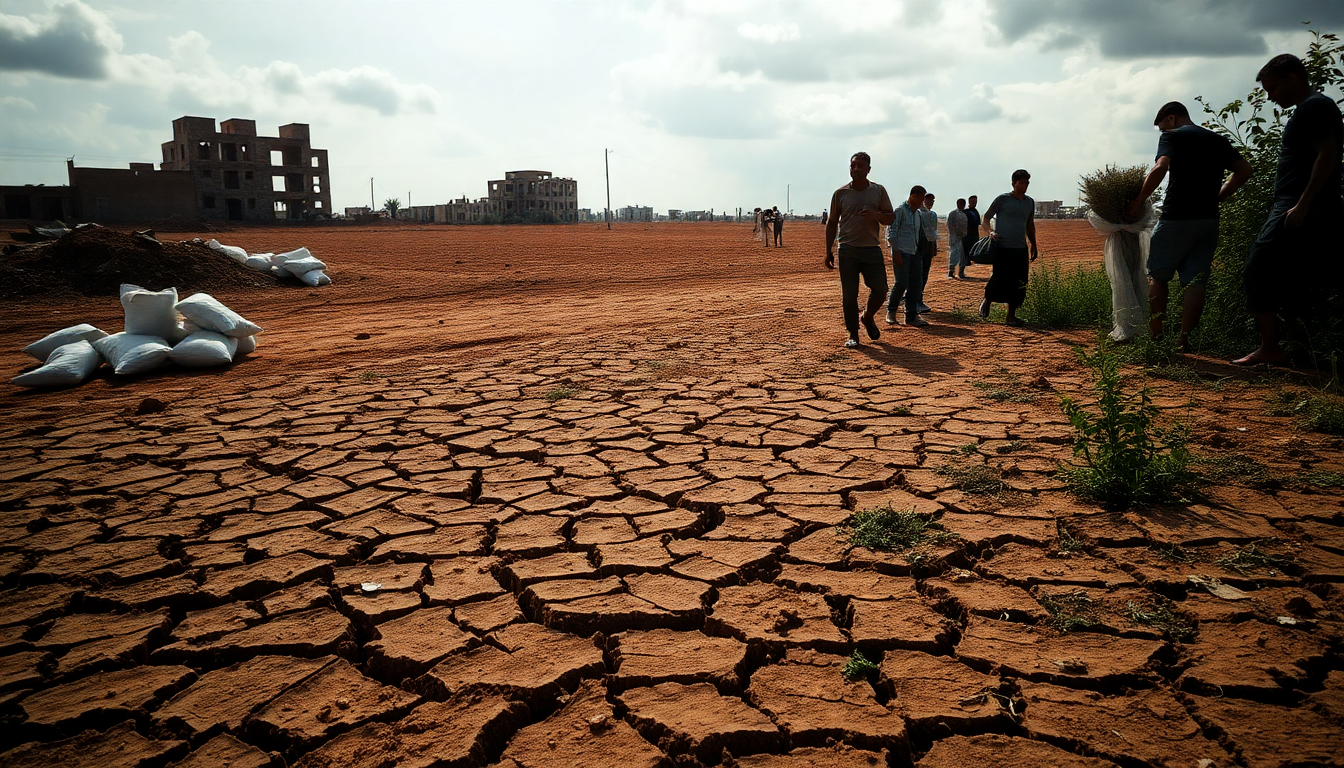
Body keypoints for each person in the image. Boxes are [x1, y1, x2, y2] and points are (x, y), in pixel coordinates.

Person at [1233, 54, 1344, 366]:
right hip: (1303, 205)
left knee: (1258, 270)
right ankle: (1300, 350)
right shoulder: (1313, 108)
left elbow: (1327, 156)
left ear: (1292, 78)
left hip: (1297, 205)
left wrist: (1302, 204)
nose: (1270, 96)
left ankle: (1271, 348)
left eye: (1273, 88)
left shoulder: (1314, 106)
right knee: (1293, 279)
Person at [1127, 101, 1253, 351]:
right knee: (1195, 281)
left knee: (1159, 278)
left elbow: (1160, 167)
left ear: (1171, 119)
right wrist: (1219, 195)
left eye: (1162, 126)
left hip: (1176, 218)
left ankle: (1156, 339)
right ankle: (1185, 340)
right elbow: (1244, 170)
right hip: (1208, 221)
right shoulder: (1217, 140)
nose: (1162, 131)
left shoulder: (1172, 137)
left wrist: (1140, 200)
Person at [825, 152, 896, 348]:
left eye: (860, 166)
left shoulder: (878, 191)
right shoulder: (840, 194)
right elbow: (832, 222)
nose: (855, 169)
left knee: (881, 290)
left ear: (868, 170)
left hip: (871, 249)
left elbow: (890, 218)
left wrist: (875, 215)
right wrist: (828, 250)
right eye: (852, 166)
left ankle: (867, 316)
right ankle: (853, 334)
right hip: (847, 250)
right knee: (849, 294)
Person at [979, 170, 1038, 327]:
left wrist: (1033, 243)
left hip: (1020, 248)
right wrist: (990, 232)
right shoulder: (1002, 200)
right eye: (1021, 183)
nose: (1024, 186)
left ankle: (1010, 316)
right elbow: (986, 217)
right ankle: (987, 300)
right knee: (999, 278)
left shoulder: (1029, 202)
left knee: (1019, 283)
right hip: (1003, 247)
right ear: (1013, 183)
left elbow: (1030, 224)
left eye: (1027, 183)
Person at [885, 185, 930, 328]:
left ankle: (911, 316)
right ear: (913, 196)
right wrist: (896, 252)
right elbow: (891, 233)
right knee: (901, 282)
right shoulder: (899, 211)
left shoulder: (918, 214)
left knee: (915, 284)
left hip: (914, 253)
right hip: (902, 253)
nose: (922, 202)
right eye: (921, 199)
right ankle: (891, 312)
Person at [918, 192, 938, 311]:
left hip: (928, 246)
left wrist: (933, 247)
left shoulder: (932, 214)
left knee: (924, 273)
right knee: (917, 274)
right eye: (929, 200)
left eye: (933, 200)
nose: (931, 202)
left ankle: (918, 298)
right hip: (919, 246)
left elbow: (933, 231)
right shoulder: (917, 213)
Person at [947, 198, 969, 279]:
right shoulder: (953, 213)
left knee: (961, 255)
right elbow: (950, 225)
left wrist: (963, 235)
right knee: (954, 254)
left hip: (962, 238)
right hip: (954, 237)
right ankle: (950, 272)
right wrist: (956, 233)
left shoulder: (963, 215)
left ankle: (960, 272)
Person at [963, 194, 981, 272]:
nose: (974, 203)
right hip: (967, 235)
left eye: (975, 202)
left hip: (974, 235)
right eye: (973, 201)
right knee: (965, 253)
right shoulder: (965, 212)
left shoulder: (975, 212)